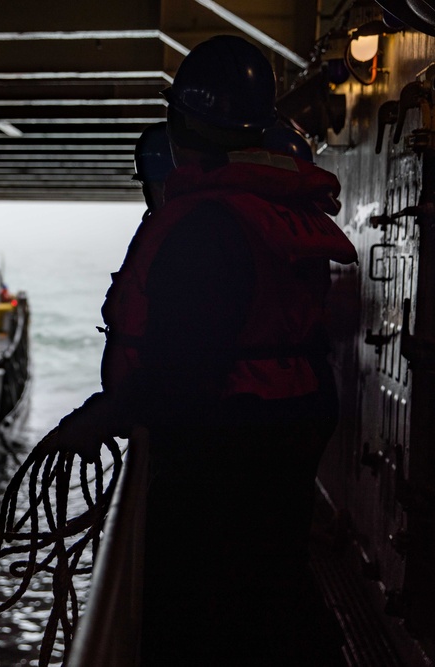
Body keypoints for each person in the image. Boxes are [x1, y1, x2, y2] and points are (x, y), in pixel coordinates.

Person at [55, 35, 356, 665]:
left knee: (197, 619)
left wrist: (102, 416)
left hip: (222, 449)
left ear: (183, 122)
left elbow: (188, 367)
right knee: (260, 599)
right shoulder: (266, 210)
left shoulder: (206, 226)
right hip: (282, 429)